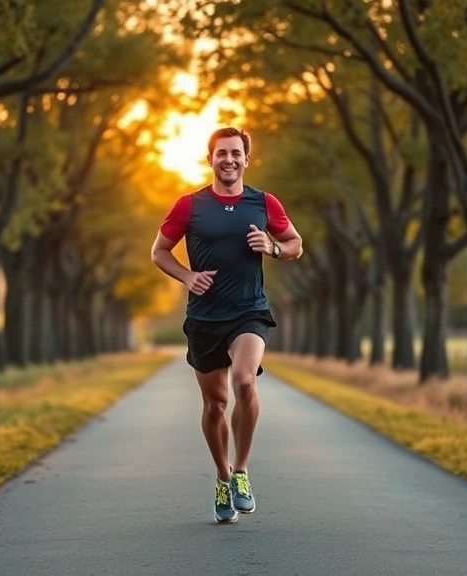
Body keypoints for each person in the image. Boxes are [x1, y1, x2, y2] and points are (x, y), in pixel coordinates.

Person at [150, 126, 303, 524]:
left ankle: (241, 471)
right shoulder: (190, 206)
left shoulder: (263, 203)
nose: (229, 160)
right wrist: (186, 277)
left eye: (236, 153)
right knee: (215, 405)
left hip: (248, 311)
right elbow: (159, 251)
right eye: (222, 154)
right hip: (204, 317)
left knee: (245, 381)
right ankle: (220, 476)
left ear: (246, 160)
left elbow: (295, 245)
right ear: (210, 159)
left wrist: (271, 247)